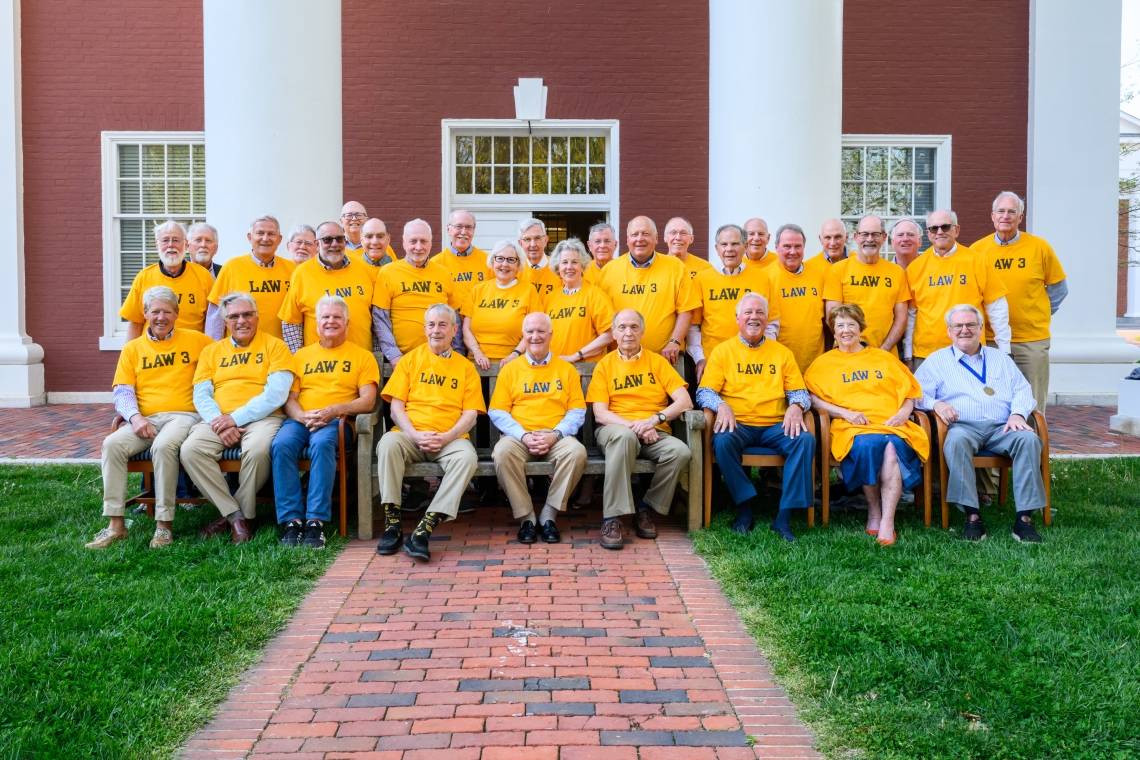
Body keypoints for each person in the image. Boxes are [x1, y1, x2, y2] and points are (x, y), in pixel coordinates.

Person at [87, 286, 213, 550]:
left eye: (167, 311)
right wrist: (134, 418)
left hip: (183, 416)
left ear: (177, 313)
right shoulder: (132, 349)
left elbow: (221, 369)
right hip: (143, 419)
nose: (161, 317)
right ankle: (115, 525)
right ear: (145, 313)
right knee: (112, 444)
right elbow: (122, 392)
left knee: (164, 446)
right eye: (155, 311)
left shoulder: (199, 341)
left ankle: (163, 525)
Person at [915, 304, 1046, 543]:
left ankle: (1024, 518)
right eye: (958, 325)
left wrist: (1017, 414)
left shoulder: (1000, 359)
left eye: (971, 324)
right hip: (962, 427)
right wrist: (936, 405)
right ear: (949, 330)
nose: (965, 330)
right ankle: (972, 517)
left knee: (1029, 439)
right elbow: (915, 394)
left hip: (1002, 427)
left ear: (981, 328)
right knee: (954, 442)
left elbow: (1023, 390)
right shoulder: (937, 361)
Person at [805, 304, 930, 545]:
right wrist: (844, 412)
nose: (846, 331)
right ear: (834, 330)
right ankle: (873, 510)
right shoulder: (824, 363)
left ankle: (887, 520)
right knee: (867, 445)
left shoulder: (883, 358)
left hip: (891, 423)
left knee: (891, 447)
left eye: (851, 324)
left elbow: (910, 392)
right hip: (853, 427)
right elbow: (812, 397)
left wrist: (904, 413)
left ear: (861, 327)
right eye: (840, 326)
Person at [697, 292, 814, 541]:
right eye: (748, 312)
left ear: (767, 319)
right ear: (738, 318)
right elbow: (705, 392)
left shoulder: (782, 353)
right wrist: (721, 405)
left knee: (805, 440)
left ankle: (783, 518)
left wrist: (797, 406)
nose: (754, 317)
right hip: (737, 424)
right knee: (722, 441)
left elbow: (801, 393)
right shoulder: (723, 351)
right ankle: (745, 510)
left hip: (775, 424)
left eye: (760, 312)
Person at [374, 304, 484, 561]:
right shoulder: (410, 360)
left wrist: (447, 437)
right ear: (424, 329)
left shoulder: (466, 368)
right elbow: (396, 408)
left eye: (443, 325)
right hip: (412, 436)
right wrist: (413, 434)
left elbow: (470, 415)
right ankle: (393, 525)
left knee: (467, 458)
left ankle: (425, 528)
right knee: (388, 443)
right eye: (432, 325)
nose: (437, 330)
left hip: (450, 438)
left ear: (455, 330)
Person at [182, 293, 293, 543]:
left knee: (257, 450)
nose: (241, 321)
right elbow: (201, 394)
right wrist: (219, 421)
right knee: (191, 450)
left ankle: (231, 518)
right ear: (224, 320)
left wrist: (235, 418)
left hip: (264, 417)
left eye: (247, 314)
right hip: (218, 419)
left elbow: (276, 394)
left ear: (257, 316)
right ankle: (236, 517)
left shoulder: (275, 346)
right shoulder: (212, 351)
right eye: (233, 316)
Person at [271, 296, 379, 549]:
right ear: (316, 323)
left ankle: (316, 522)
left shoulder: (362, 357)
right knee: (281, 445)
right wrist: (301, 416)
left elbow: (367, 401)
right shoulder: (299, 356)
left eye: (337, 317)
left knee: (321, 445)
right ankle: (292, 520)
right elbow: (290, 398)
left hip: (337, 423)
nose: (331, 322)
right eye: (326, 317)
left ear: (347, 323)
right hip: (301, 420)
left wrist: (334, 411)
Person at [586, 309, 693, 549]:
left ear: (642, 332)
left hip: (654, 431)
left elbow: (685, 401)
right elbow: (600, 413)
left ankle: (645, 508)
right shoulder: (605, 365)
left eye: (634, 327)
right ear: (613, 333)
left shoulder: (657, 362)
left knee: (680, 452)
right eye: (622, 327)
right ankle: (611, 518)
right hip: (615, 429)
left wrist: (654, 420)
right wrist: (636, 427)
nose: (628, 333)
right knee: (624, 437)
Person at [489, 312, 588, 544]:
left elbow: (577, 411)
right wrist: (522, 435)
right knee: (502, 453)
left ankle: (548, 515)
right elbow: (498, 411)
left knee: (577, 453)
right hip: (519, 435)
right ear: (523, 336)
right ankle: (526, 518)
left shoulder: (566, 369)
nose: (535, 336)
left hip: (556, 435)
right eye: (530, 332)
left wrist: (555, 435)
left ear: (551, 334)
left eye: (541, 331)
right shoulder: (510, 370)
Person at [970, 192, 1068, 413]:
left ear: (1020, 217)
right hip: (989, 340)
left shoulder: (1039, 247)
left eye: (1012, 211)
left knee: (1032, 403)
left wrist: (1037, 312)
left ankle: (1034, 446)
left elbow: (1059, 289)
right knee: (991, 401)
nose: (1006, 216)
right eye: (1001, 211)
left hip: (1030, 341)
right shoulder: (978, 250)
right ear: (992, 216)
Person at [905, 209, 1010, 370]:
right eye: (934, 228)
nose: (940, 232)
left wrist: (1005, 351)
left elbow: (997, 309)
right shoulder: (915, 268)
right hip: (927, 354)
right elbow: (911, 315)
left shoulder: (978, 261)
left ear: (957, 230)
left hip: (969, 351)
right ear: (928, 233)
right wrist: (907, 354)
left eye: (945, 227)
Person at [597, 216, 699, 362]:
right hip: (620, 360)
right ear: (627, 240)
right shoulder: (608, 271)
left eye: (646, 234)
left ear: (656, 238)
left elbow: (686, 309)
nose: (640, 239)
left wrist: (674, 341)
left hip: (665, 359)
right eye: (634, 234)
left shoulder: (675, 267)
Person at [687, 224, 778, 380]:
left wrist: (762, 354)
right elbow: (693, 326)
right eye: (724, 244)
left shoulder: (762, 278)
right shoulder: (701, 280)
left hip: (752, 363)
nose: (729, 249)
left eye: (735, 244)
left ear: (745, 246)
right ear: (717, 248)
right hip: (713, 362)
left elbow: (772, 323)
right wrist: (699, 358)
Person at [372, 219, 461, 365]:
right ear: (404, 243)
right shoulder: (388, 272)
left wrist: (456, 354)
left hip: (440, 359)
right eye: (413, 241)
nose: (418, 247)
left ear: (431, 243)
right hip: (402, 359)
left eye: (423, 241)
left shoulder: (443, 273)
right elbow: (380, 319)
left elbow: (454, 318)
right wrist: (394, 356)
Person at [279, 221, 375, 353]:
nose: (334, 244)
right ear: (317, 244)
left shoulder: (363, 269)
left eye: (339, 239)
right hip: (318, 364)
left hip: (361, 361)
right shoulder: (302, 273)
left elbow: (376, 317)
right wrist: (298, 357)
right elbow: (291, 322)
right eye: (327, 240)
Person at [823, 214, 910, 357]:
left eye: (875, 234)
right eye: (865, 234)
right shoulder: (838, 270)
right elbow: (832, 317)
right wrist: (855, 349)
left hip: (885, 356)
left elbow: (901, 319)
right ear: (856, 237)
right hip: (847, 354)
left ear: (884, 237)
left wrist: (883, 350)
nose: (869, 239)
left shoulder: (897, 272)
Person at [120, 220, 214, 339]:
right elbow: (135, 323)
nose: (170, 245)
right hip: (153, 352)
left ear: (186, 244)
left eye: (176, 240)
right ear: (157, 244)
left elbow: (213, 321)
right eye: (165, 240)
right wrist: (129, 356)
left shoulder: (203, 276)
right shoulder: (144, 277)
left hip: (193, 352)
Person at [206, 215, 295, 340]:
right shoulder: (232, 267)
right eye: (260, 233)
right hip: (241, 352)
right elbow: (215, 315)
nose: (265, 238)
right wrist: (214, 349)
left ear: (279, 239)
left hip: (279, 351)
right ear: (250, 237)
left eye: (271, 234)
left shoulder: (292, 269)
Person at [461, 240, 541, 369]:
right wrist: (477, 353)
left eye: (511, 260)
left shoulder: (529, 291)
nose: (505, 264)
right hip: (477, 366)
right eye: (500, 259)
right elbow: (466, 328)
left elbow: (534, 331)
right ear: (492, 262)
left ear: (518, 264)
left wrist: (515, 354)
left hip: (515, 365)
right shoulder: (478, 290)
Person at [766, 224, 827, 372]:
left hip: (816, 363)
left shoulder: (819, 275)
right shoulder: (764, 277)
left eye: (798, 246)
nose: (793, 252)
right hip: (779, 364)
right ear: (776, 247)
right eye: (787, 246)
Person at [544, 238, 614, 361]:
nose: (569, 267)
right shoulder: (550, 298)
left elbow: (610, 334)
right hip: (555, 370)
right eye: (564, 262)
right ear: (558, 267)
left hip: (586, 372)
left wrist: (576, 356)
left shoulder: (595, 295)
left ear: (582, 266)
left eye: (574, 262)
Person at [434, 209, 492, 305]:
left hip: (478, 317)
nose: (464, 232)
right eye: (459, 226)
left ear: (474, 231)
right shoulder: (436, 263)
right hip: (450, 318)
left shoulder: (489, 262)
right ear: (448, 229)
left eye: (469, 227)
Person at [518, 217, 562, 302]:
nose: (533, 244)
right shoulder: (515, 269)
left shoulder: (559, 268)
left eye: (537, 238)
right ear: (521, 243)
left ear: (545, 240)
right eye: (527, 239)